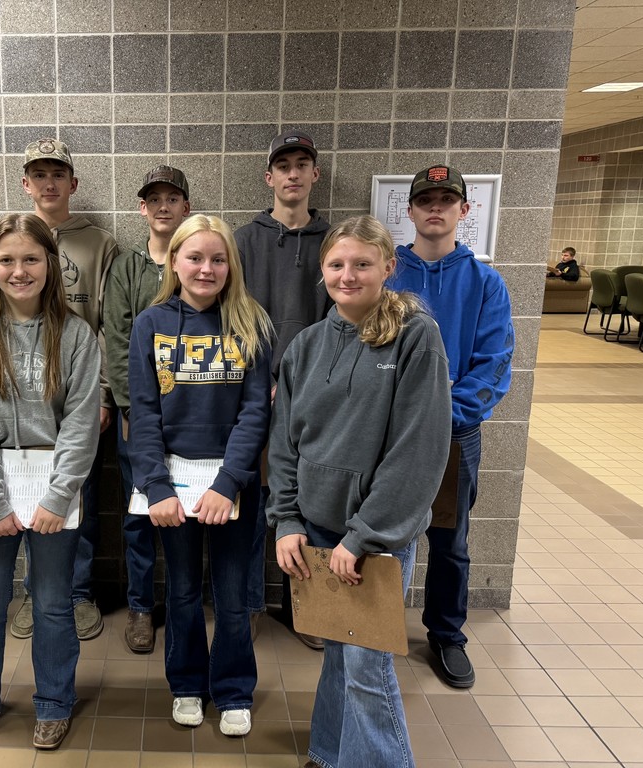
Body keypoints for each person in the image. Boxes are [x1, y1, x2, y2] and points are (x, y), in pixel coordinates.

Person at [268, 215, 451, 768]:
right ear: (323, 271)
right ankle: (328, 753)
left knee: (367, 669)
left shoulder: (416, 337)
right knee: (337, 658)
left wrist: (367, 537)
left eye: (362, 264)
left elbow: (417, 451)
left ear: (388, 268)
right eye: (337, 265)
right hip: (318, 531)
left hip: (374, 538)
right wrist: (288, 520)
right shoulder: (305, 346)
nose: (348, 275)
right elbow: (284, 443)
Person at [0, 214, 101, 754]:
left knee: (54, 604)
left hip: (54, 495)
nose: (19, 270)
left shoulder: (77, 336)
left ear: (51, 265)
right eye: (7, 260)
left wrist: (60, 497)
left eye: (30, 259)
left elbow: (82, 424)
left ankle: (55, 703)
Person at [129, 215, 272, 737]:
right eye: (195, 257)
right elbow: (142, 413)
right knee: (184, 591)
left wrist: (229, 482)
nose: (206, 268)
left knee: (234, 594)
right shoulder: (151, 324)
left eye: (218, 258)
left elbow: (255, 412)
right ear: (174, 261)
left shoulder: (252, 321)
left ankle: (234, 690)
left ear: (231, 264)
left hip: (232, 489)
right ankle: (187, 684)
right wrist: (157, 488)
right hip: (173, 490)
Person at [389, 165, 514, 689]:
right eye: (425, 200)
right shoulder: (389, 276)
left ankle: (445, 634)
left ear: (465, 210)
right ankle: (375, 627)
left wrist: (441, 417)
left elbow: (494, 365)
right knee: (382, 534)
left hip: (453, 435)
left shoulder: (485, 282)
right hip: (388, 435)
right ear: (411, 211)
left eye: (447, 200)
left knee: (450, 540)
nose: (435, 208)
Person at [12, 138, 118, 642]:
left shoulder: (99, 244)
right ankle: (36, 592)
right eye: (39, 174)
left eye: (58, 174)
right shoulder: (12, 239)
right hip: (26, 397)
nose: (49, 183)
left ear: (73, 183)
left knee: (79, 493)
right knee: (30, 491)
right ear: (25, 183)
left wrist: (101, 393)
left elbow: (107, 325)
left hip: (79, 392)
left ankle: (77, 593)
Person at [234, 129, 332, 649]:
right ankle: (249, 602)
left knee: (308, 504)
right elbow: (232, 319)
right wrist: (261, 383)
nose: (293, 173)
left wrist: (302, 387)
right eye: (283, 165)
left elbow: (339, 323)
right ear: (269, 176)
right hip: (254, 398)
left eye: (303, 164)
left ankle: (308, 609)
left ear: (315, 174)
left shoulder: (334, 244)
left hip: (314, 401)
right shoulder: (243, 242)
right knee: (251, 505)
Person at [104, 165, 191, 654]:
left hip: (190, 414)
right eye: (153, 198)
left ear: (185, 206)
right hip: (136, 414)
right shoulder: (126, 267)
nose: (163, 206)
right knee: (140, 513)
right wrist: (130, 406)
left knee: (187, 509)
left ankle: (183, 603)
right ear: (142, 208)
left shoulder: (197, 261)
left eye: (172, 198)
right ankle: (140, 605)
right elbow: (116, 340)